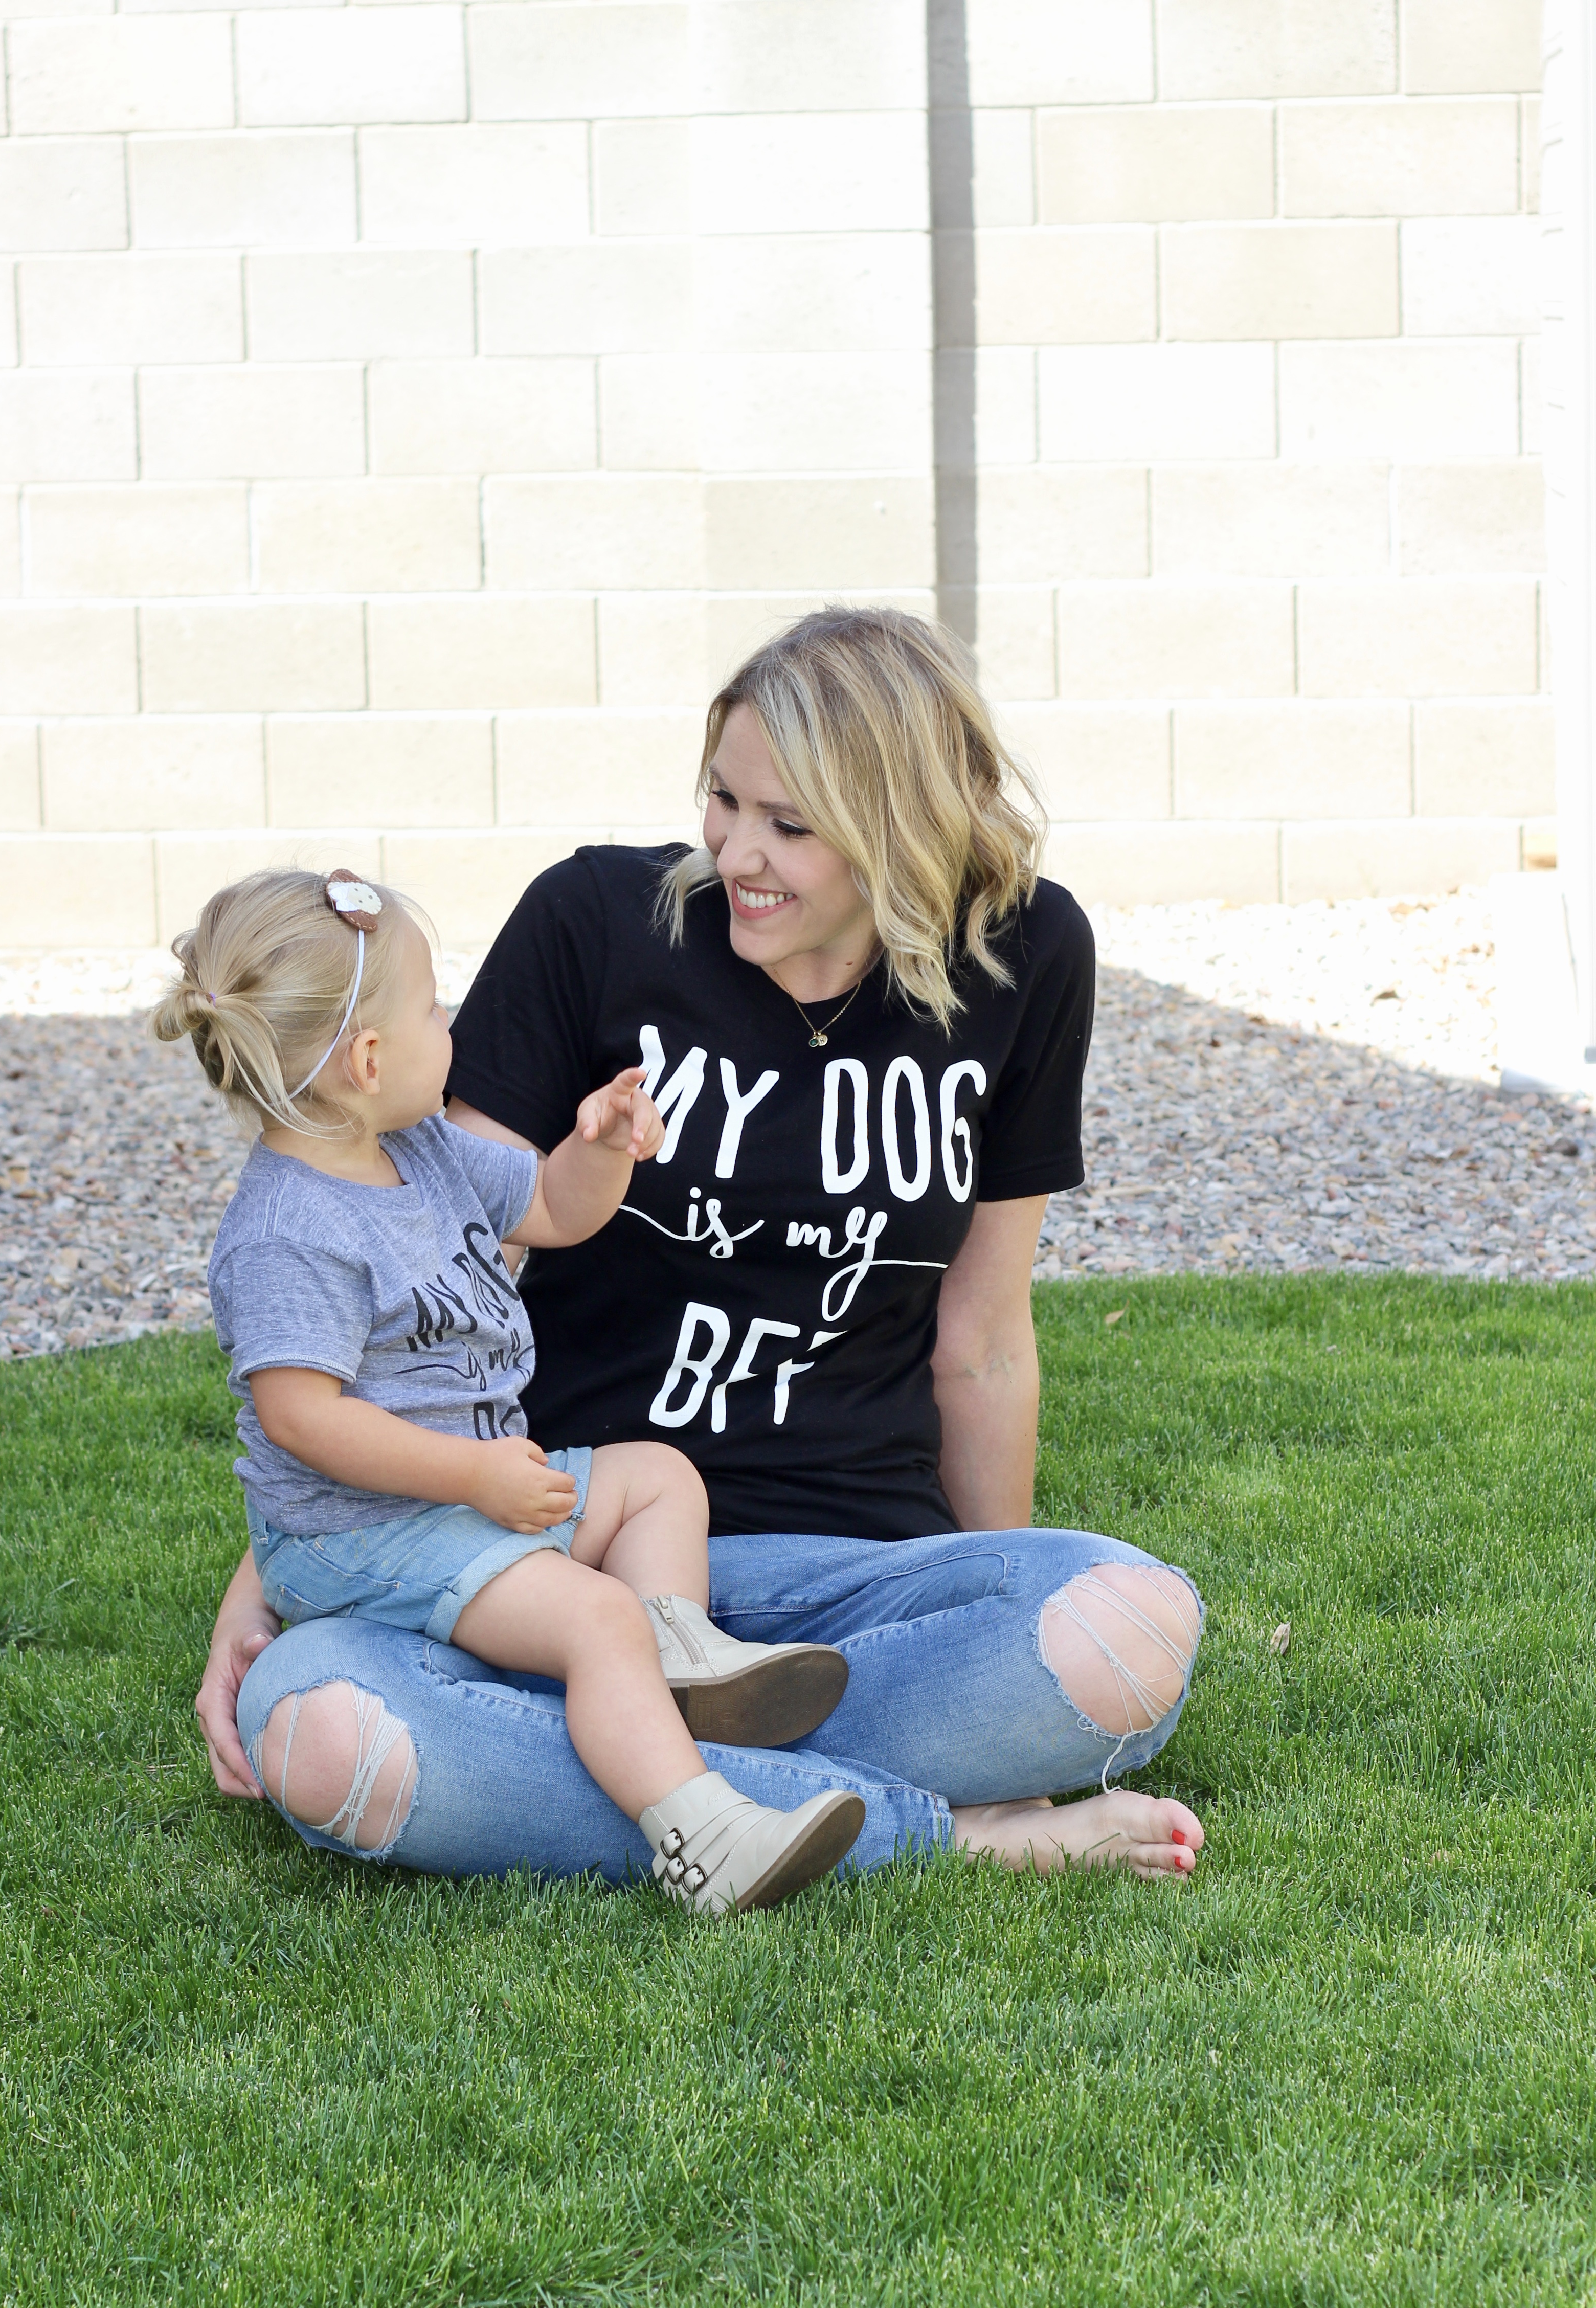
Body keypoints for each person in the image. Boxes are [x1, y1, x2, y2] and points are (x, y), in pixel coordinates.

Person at [196, 607, 1207, 1887]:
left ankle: (675, 1780)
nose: (737, 852)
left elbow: (988, 1342)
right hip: (540, 1548)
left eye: (790, 825)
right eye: (723, 801)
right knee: (325, 1723)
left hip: (841, 1582)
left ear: (902, 833)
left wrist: (976, 1582)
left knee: (1126, 1627)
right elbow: (419, 1275)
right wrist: (284, 1558)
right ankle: (938, 1831)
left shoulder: (1027, 955)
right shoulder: (592, 920)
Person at [153, 865, 863, 1913]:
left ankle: (679, 1651)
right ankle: (703, 1838)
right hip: (363, 1534)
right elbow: (299, 1417)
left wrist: (597, 1146)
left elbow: (551, 1208)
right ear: (367, 1060)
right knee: (592, 1619)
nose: (456, 1024)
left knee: (659, 1478)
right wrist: (473, 1476)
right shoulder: (287, 1232)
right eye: (436, 1006)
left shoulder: (421, 1149)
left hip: (461, 1495)